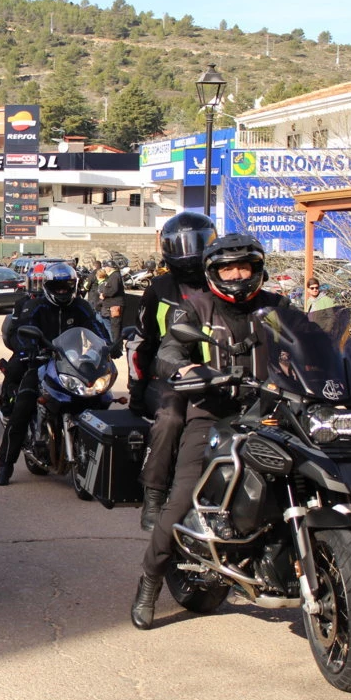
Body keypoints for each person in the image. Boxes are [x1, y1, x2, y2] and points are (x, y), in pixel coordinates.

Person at [131, 233, 288, 630]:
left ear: (257, 270)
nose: (237, 274)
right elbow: (168, 350)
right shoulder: (197, 307)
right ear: (213, 272)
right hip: (213, 413)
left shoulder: (279, 307)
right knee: (183, 497)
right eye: (227, 267)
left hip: (272, 412)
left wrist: (348, 360)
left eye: (244, 266)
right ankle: (150, 580)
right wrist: (185, 370)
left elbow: (314, 342)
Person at [128, 212, 216, 531]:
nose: (192, 250)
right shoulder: (160, 288)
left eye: (200, 241)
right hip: (169, 378)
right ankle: (153, 497)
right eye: (183, 243)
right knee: (171, 418)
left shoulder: (221, 283)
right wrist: (137, 391)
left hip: (220, 375)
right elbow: (143, 342)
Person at [0, 263, 108, 486]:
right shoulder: (35, 306)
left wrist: (109, 345)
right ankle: (5, 465)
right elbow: (21, 332)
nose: (63, 291)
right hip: (40, 362)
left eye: (67, 286)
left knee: (101, 397)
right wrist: (29, 349)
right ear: (47, 286)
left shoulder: (81, 307)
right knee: (23, 406)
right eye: (58, 286)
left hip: (72, 365)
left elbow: (97, 327)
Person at [98, 261, 125, 344]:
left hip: (115, 305)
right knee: (114, 326)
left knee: (115, 327)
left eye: (105, 267)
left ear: (109, 267)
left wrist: (104, 294)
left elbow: (114, 289)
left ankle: (116, 345)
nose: (105, 269)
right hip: (112, 304)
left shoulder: (114, 276)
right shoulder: (112, 276)